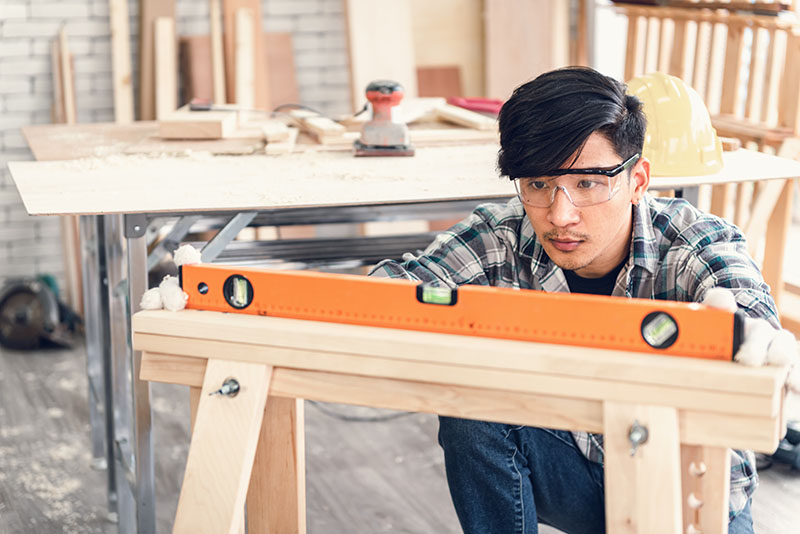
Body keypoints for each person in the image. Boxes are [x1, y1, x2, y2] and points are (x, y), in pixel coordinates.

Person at [369, 66, 797, 534]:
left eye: (588, 183)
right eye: (537, 184)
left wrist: (754, 337)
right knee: (472, 415)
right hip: (578, 474)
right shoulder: (504, 233)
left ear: (637, 181)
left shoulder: (692, 245)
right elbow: (388, 287)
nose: (560, 215)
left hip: (688, 496)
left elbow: (748, 306)